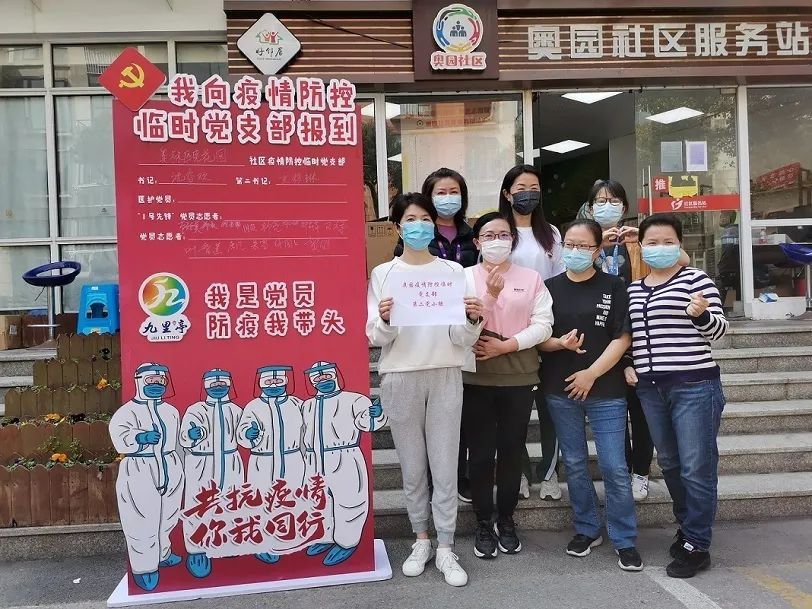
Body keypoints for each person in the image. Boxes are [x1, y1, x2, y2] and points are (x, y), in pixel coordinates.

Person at [367, 192, 483, 586]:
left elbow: (460, 337)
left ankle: (446, 545)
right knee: (413, 467)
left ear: (435, 225)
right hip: (401, 376)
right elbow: (376, 335)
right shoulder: (384, 273)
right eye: (411, 219)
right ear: (398, 227)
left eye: (426, 219)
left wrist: (472, 320)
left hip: (445, 372)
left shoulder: (453, 271)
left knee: (445, 465)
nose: (419, 226)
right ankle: (421, 539)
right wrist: (386, 320)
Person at [626, 213, 728, 579]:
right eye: (652, 242)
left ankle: (697, 543)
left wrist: (700, 316)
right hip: (651, 388)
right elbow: (632, 336)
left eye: (668, 241)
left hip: (694, 385)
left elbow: (719, 332)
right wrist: (628, 363)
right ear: (641, 246)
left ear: (679, 245)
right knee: (669, 462)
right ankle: (688, 528)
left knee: (696, 467)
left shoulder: (696, 280)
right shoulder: (634, 289)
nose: (660, 248)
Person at [539, 220, 643, 572]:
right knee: (575, 462)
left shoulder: (615, 285)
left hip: (607, 388)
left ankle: (624, 538)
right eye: (570, 244)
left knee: (614, 465)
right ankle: (587, 528)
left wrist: (591, 374)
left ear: (598, 250)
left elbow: (623, 337)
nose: (575, 251)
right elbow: (538, 336)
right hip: (560, 387)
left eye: (584, 246)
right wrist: (558, 343)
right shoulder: (548, 287)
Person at [462, 211, 554, 559]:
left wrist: (507, 345)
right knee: (481, 453)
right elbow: (458, 326)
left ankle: (507, 519)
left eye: (503, 234)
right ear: (476, 242)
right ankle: (483, 521)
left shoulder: (531, 278)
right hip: (476, 376)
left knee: (512, 450)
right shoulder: (463, 278)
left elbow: (543, 324)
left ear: (513, 240)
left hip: (519, 375)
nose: (497, 241)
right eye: (488, 235)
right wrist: (488, 296)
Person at [393, 169, 478, 502]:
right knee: (421, 438)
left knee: (456, 424)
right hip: (419, 347)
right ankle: (430, 485)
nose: (448, 198)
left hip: (459, 337)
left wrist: (472, 317)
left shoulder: (472, 235)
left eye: (453, 191)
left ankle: (456, 478)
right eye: (440, 193)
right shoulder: (403, 253)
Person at [497, 164, 564, 501]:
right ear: (507, 194)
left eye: (534, 188)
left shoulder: (550, 233)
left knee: (551, 407)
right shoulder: (498, 231)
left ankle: (550, 474)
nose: (528, 194)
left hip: (547, 326)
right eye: (521, 188)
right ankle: (519, 472)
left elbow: (561, 277)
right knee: (513, 412)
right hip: (508, 331)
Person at [301, 361, 387, 567]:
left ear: (335, 376)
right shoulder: (307, 405)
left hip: (345, 456)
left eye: (327, 376)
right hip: (314, 459)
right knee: (319, 500)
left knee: (349, 501)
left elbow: (365, 423)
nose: (323, 380)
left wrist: (374, 414)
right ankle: (325, 537)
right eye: (318, 378)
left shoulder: (354, 400)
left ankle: (348, 542)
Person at [110, 362, 184, 592]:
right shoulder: (127, 412)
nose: (156, 384)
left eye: (160, 380)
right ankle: (144, 568)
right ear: (140, 381)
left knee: (168, 515)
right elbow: (119, 437)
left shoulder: (171, 411)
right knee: (141, 518)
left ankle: (163, 554)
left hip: (170, 465)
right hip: (139, 467)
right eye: (151, 380)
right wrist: (139, 438)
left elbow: (178, 441)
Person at [237, 365, 306, 565]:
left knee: (292, 498)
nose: (274, 385)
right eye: (269, 381)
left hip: (292, 458)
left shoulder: (297, 403)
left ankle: (289, 539)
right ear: (261, 383)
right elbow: (242, 430)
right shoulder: (253, 407)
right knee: (261, 500)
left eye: (278, 381)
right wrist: (248, 434)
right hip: (262, 460)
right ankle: (262, 543)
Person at [180, 368, 244, 579]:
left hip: (230, 461)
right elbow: (183, 437)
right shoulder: (195, 410)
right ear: (206, 386)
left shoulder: (235, 410)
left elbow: (243, 435)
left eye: (221, 384)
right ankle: (197, 550)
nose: (218, 387)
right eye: (213, 384)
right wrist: (191, 435)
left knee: (231, 502)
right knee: (199, 505)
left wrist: (250, 434)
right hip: (202, 462)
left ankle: (226, 541)